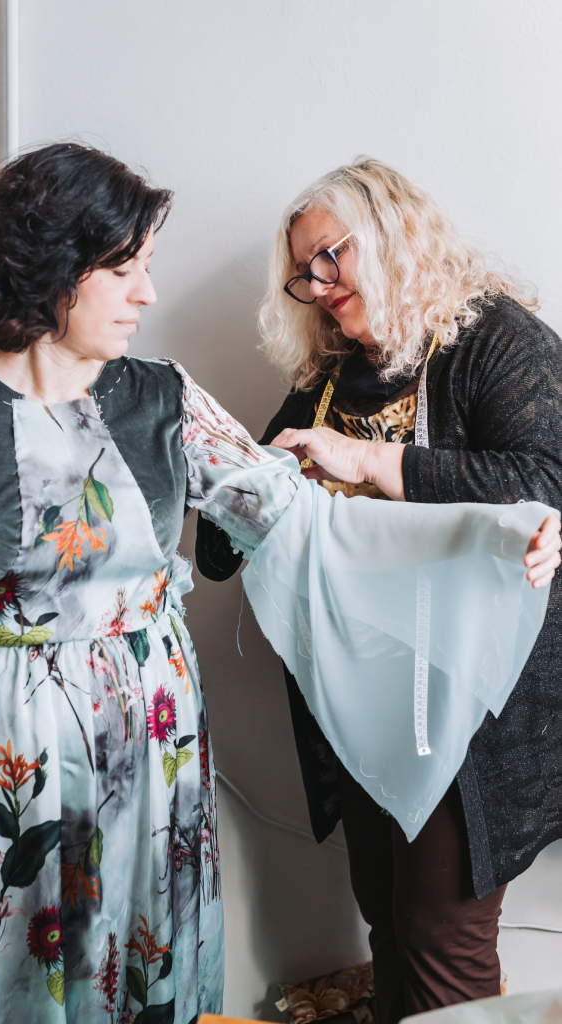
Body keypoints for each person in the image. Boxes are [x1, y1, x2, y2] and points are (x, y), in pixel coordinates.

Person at [0, 145, 557, 1024]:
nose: (147, 294)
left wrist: (505, 529)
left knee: (147, 987)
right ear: (52, 268)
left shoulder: (166, 399)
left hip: (151, 774)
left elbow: (318, 522)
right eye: (125, 269)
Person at [196, 158, 562, 1024]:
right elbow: (219, 545)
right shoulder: (328, 377)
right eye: (303, 271)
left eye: (332, 254)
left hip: (469, 712)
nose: (319, 284)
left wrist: (367, 460)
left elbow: (546, 480)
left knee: (441, 938)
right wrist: (238, 481)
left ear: (395, 232)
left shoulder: (495, 339)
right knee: (389, 923)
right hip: (360, 705)